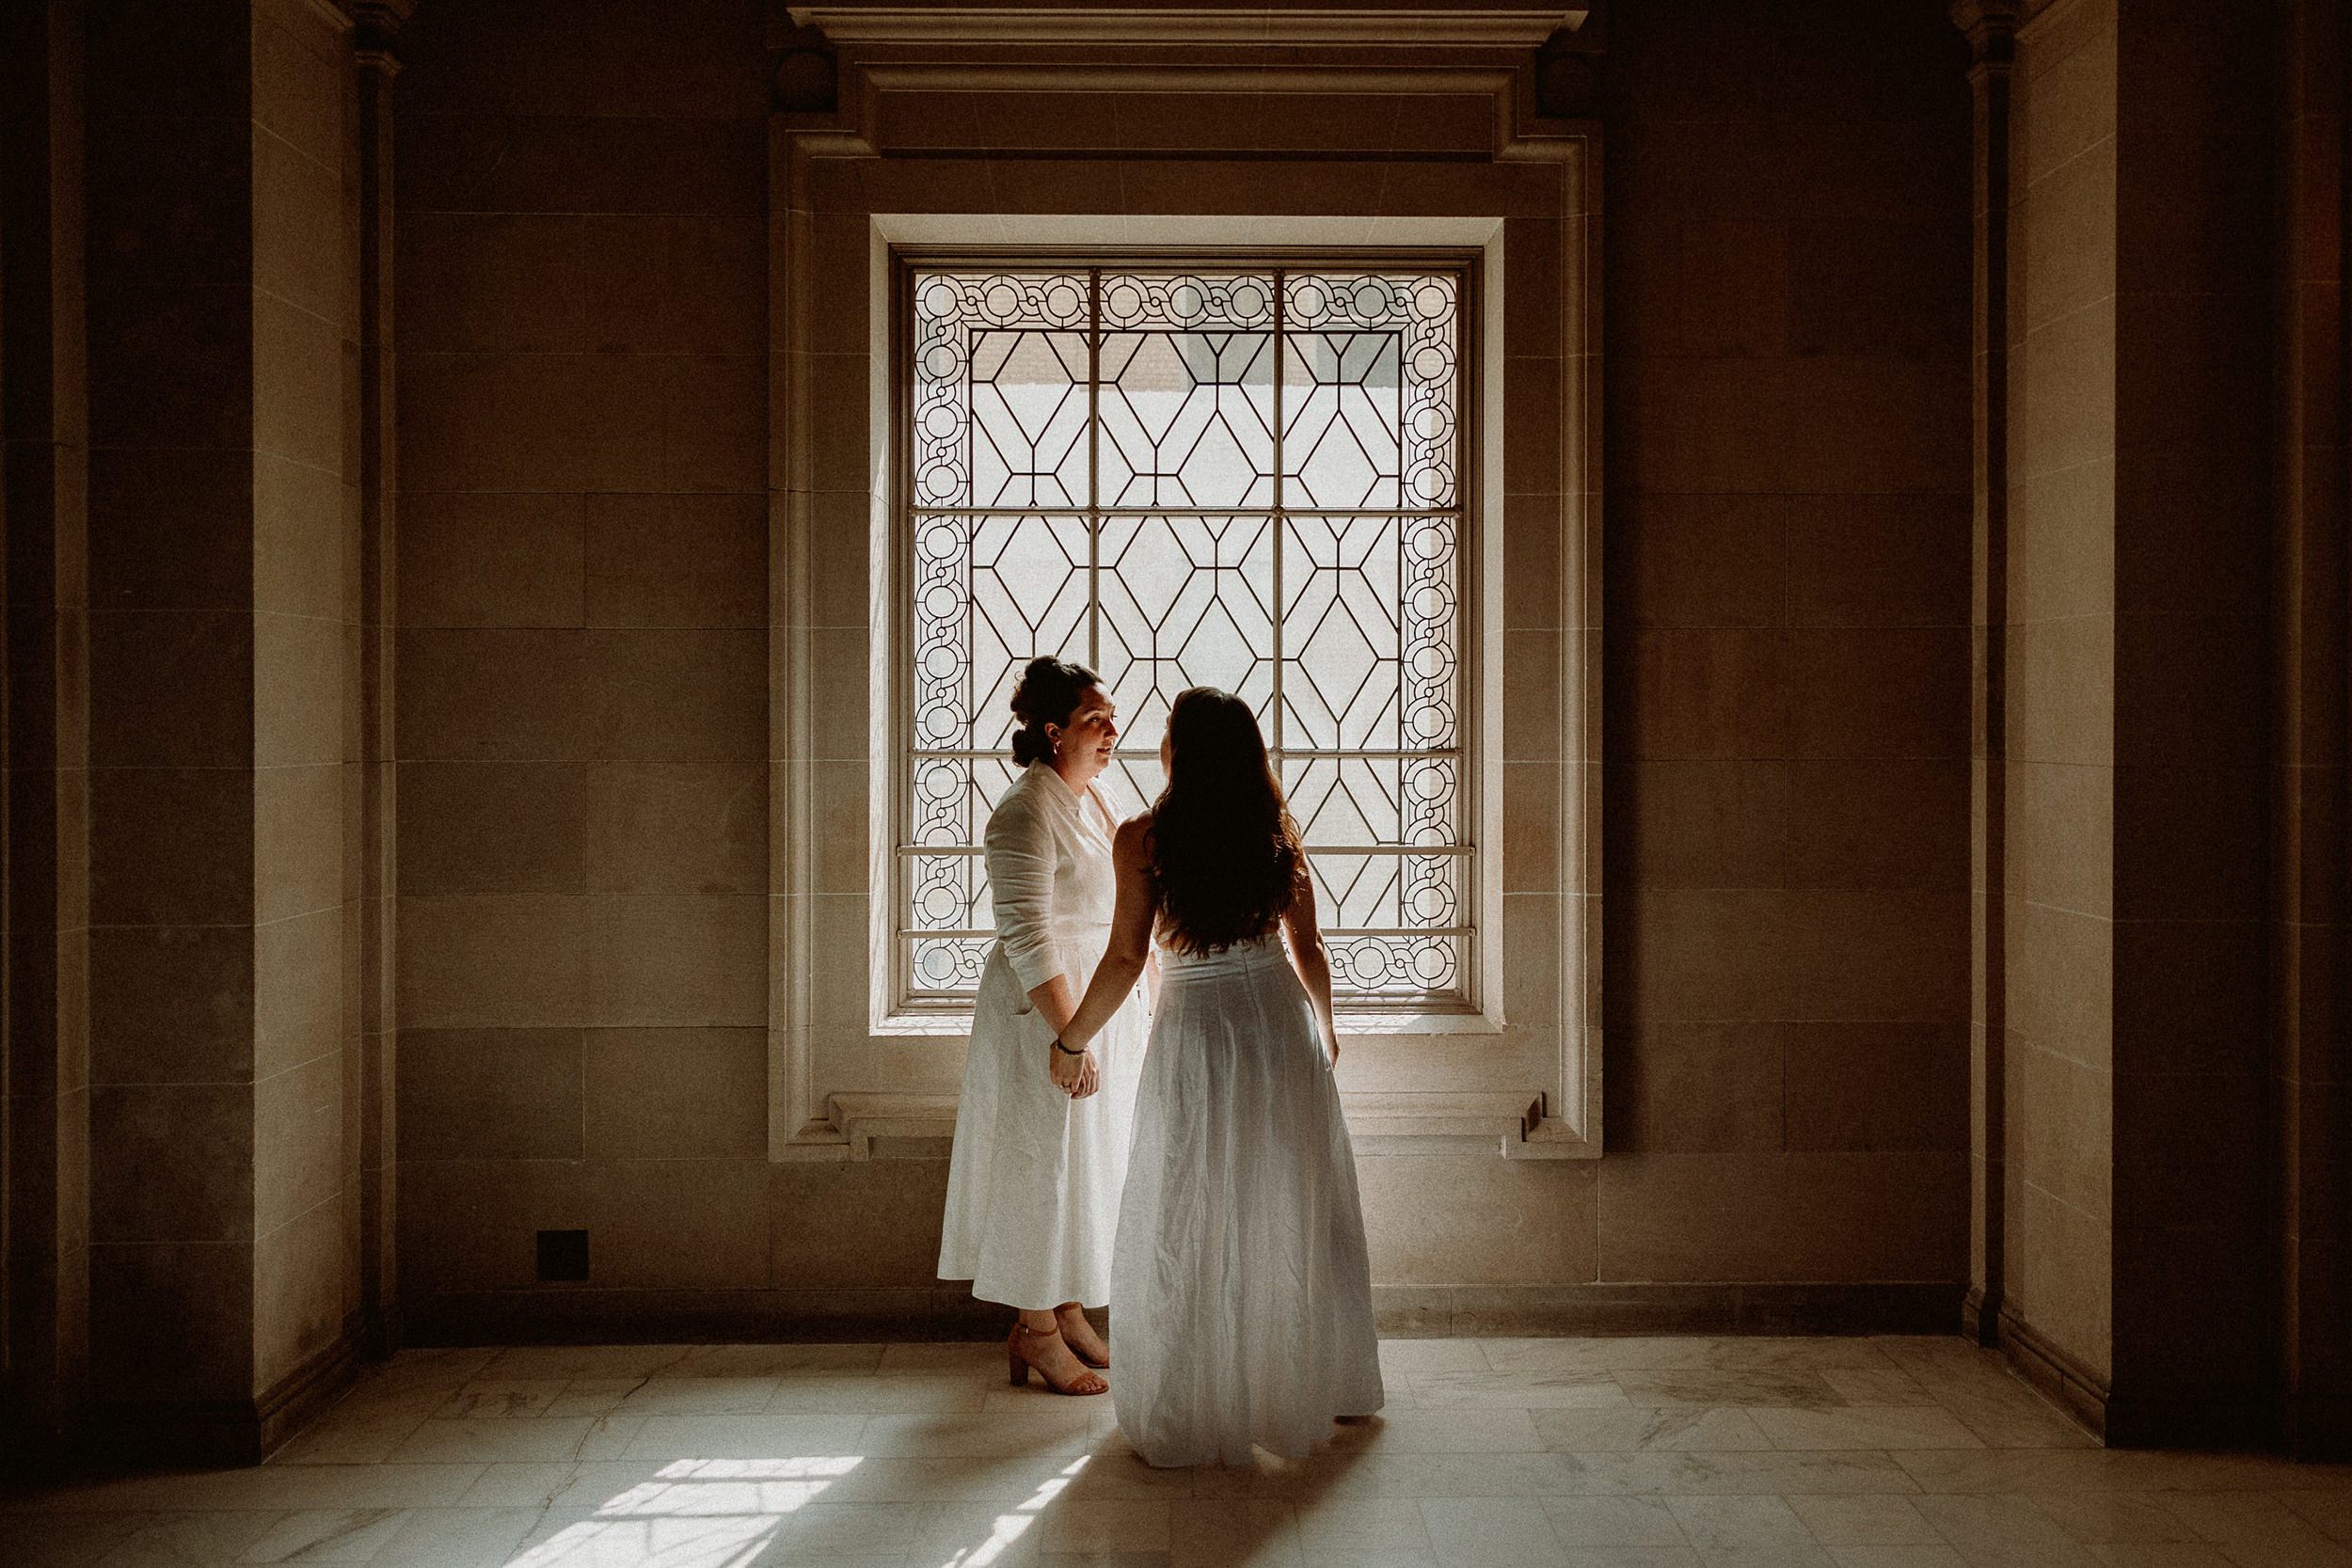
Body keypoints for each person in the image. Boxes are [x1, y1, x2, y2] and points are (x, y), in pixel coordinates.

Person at [1055, 686, 1383, 1464]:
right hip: (1277, 1021)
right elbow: (1310, 951)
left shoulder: (1143, 837)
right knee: (1290, 1195)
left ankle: (1197, 1398)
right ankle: (1312, 1380)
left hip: (1200, 1031)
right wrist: (1326, 1033)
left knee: (1191, 1199)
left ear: (1182, 752)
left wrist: (1071, 1040)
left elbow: (1128, 956)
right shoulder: (1276, 832)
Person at [937, 657, 1149, 1397]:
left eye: (1112, 718)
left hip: (1096, 1003)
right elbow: (1028, 934)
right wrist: (1070, 1036)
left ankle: (1068, 1305)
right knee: (1039, 1164)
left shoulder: (1096, 797)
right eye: (1097, 720)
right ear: (1054, 731)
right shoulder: (1023, 812)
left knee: (1086, 1162)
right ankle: (1034, 1328)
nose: (1113, 731)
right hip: (1044, 1010)